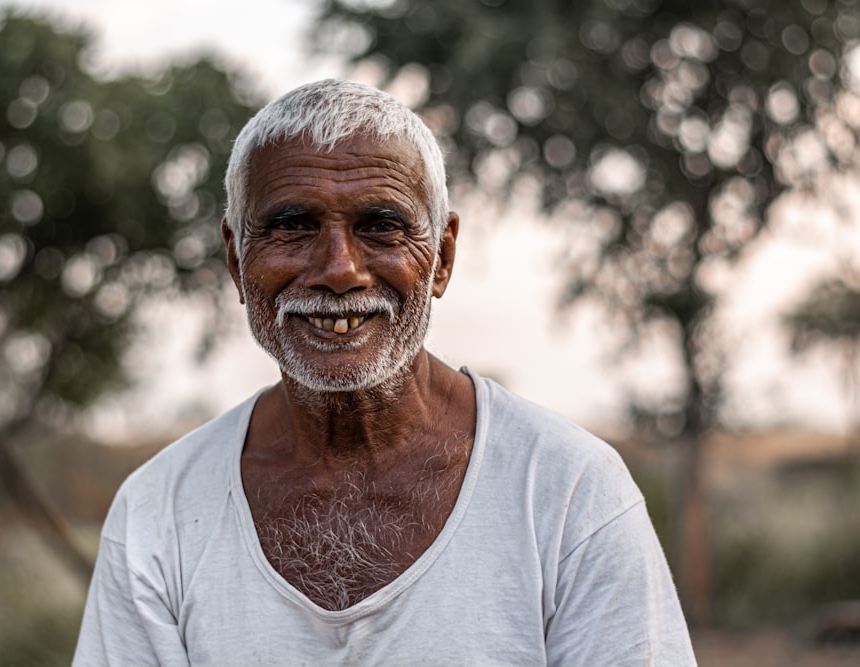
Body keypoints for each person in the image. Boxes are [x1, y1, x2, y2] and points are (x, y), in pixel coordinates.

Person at [73, 79, 696, 667]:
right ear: (237, 261)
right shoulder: (160, 512)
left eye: (381, 226)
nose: (340, 269)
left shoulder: (566, 489)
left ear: (442, 258)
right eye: (293, 225)